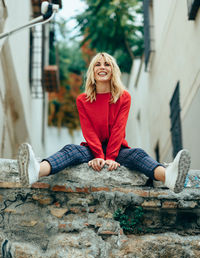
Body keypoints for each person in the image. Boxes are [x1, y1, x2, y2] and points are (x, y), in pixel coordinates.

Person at [18, 52, 191, 193]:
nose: (102, 67)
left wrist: (110, 158)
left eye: (107, 64)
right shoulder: (82, 100)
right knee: (71, 150)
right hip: (92, 148)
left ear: (113, 70)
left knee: (137, 154)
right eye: (98, 64)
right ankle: (35, 171)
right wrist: (99, 156)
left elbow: (118, 129)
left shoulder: (124, 97)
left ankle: (168, 176)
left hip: (117, 150)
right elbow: (89, 131)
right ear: (92, 71)